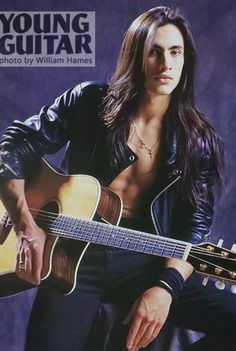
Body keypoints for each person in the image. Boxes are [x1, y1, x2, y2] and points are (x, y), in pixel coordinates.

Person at [0, 6, 235, 351]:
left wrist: (165, 288)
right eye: (154, 51)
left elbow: (192, 231)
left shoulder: (196, 142)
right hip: (73, 257)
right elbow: (15, 144)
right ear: (136, 55)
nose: (165, 63)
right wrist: (24, 225)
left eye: (175, 52)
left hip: (141, 262)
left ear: (186, 61)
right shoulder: (89, 102)